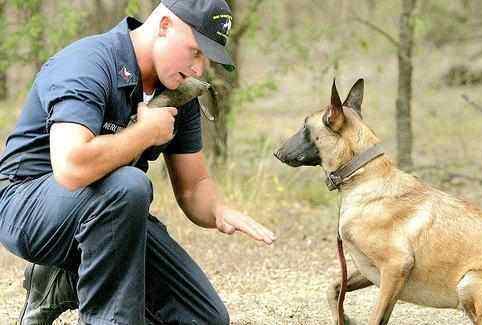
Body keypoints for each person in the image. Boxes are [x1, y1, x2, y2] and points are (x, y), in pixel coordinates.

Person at [0, 0, 276, 324]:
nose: (200, 68)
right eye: (196, 51)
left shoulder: (177, 87)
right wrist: (144, 133)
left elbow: (193, 186)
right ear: (163, 26)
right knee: (128, 185)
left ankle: (65, 280)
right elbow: (71, 167)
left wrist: (218, 211)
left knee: (204, 318)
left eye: (208, 57)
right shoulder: (89, 63)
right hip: (27, 205)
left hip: (110, 215)